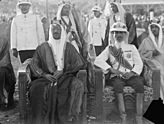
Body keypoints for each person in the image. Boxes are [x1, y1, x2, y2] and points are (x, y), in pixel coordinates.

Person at [29, 21, 86, 124]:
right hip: (45, 78)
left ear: (62, 31)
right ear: (50, 32)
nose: (56, 31)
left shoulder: (68, 47)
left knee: (77, 85)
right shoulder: (43, 47)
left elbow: (79, 63)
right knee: (36, 89)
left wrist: (63, 71)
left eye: (58, 29)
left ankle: (70, 119)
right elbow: (34, 64)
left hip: (65, 77)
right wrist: (44, 74)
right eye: (53, 29)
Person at [94, 22, 144, 124]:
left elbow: (139, 63)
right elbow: (97, 60)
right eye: (116, 32)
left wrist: (132, 73)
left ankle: (139, 117)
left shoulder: (132, 47)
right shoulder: (110, 48)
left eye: (121, 33)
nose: (119, 35)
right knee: (117, 86)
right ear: (113, 34)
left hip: (130, 74)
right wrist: (111, 69)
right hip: (117, 76)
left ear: (125, 34)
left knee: (139, 85)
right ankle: (123, 117)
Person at [138, 21, 164, 104]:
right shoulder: (146, 41)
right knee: (160, 72)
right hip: (153, 64)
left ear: (159, 28)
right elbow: (139, 55)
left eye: (156, 27)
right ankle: (161, 99)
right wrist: (151, 53)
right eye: (152, 27)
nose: (154, 29)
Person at [0, 22, 16, 110]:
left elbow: (3, 51)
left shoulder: (3, 38)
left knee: (7, 78)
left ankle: (7, 101)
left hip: (5, 66)